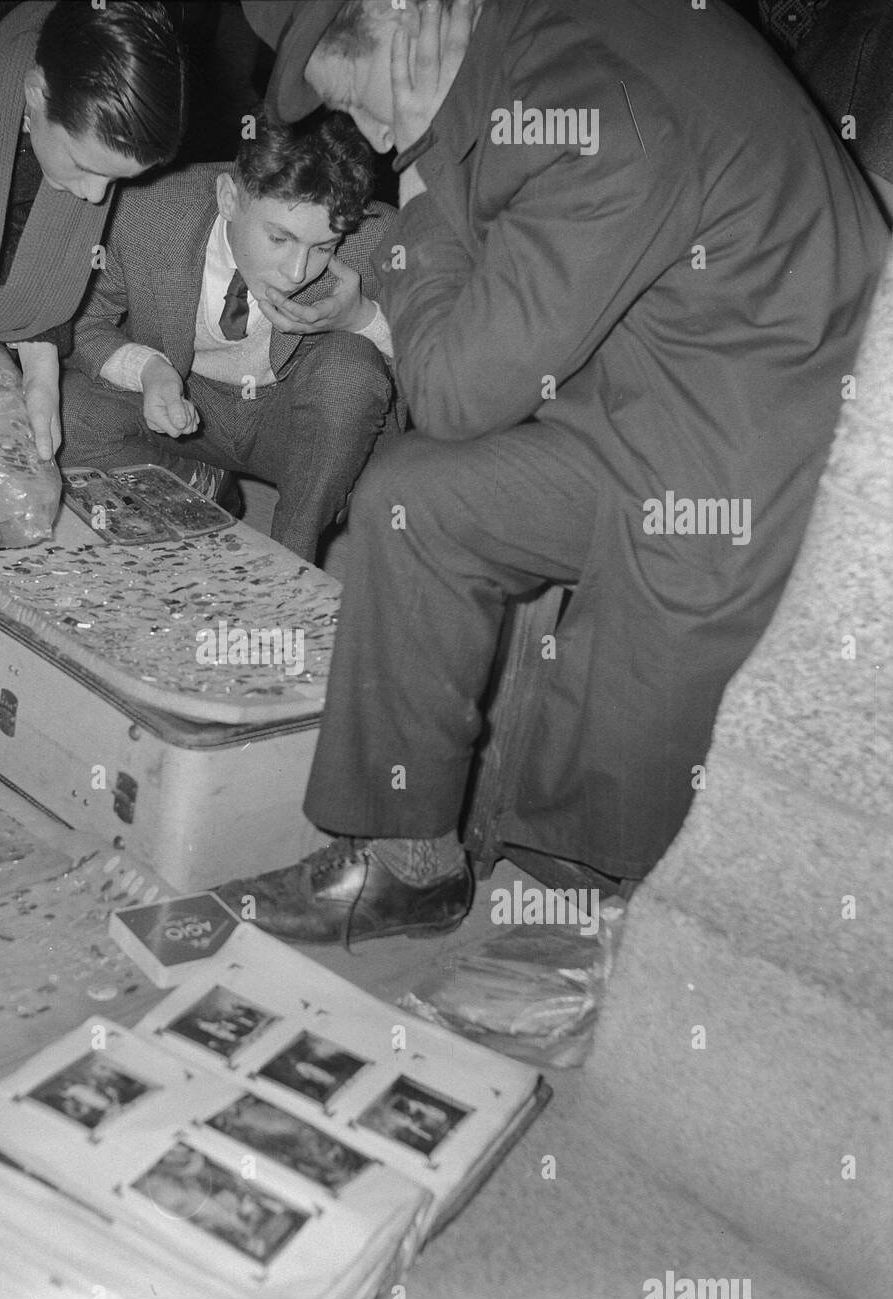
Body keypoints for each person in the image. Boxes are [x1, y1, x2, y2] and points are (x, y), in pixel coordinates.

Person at [222, 0, 888, 946]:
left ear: (404, 15)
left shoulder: (590, 104)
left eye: (363, 108)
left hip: (773, 441)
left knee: (639, 645)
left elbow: (452, 385)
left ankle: (566, 917)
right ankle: (406, 862)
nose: (365, 141)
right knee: (419, 500)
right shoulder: (523, 46)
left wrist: (416, 187)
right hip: (647, 390)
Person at [59, 106, 397, 561]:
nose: (297, 271)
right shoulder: (145, 214)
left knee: (350, 375)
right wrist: (149, 370)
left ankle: (293, 556)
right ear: (228, 198)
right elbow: (81, 322)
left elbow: (442, 370)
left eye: (323, 248)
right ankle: (202, 484)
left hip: (294, 424)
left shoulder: (377, 238)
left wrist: (361, 318)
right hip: (186, 403)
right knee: (68, 415)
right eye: (279, 238)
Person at [0, 0, 187, 461]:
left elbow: (27, 237)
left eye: (114, 180)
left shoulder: (73, 116)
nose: (95, 198)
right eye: (83, 166)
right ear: (35, 93)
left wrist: (41, 374)